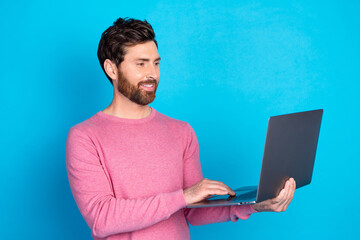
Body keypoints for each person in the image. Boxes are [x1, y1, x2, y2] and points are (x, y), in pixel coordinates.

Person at [66, 17, 296, 240]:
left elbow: (192, 210)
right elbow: (102, 218)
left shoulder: (181, 131)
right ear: (111, 69)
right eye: (141, 63)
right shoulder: (85, 137)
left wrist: (254, 205)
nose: (152, 74)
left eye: (156, 63)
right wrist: (183, 196)